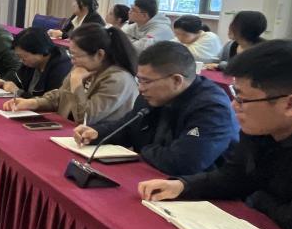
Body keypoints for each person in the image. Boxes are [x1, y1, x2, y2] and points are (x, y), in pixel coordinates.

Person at [138, 40, 292, 229]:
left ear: (290, 105)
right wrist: (183, 186)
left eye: (243, 99)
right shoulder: (259, 129)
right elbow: (235, 176)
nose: (234, 105)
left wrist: (255, 196)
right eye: (235, 95)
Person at [73, 41, 238, 176]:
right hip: (154, 178)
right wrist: (97, 132)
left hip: (204, 197)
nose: (141, 88)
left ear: (176, 80)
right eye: (139, 80)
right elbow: (128, 127)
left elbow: (183, 163)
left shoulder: (212, 109)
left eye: (147, 81)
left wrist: (146, 149)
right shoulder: (151, 96)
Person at [5, 24, 138, 124]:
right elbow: (60, 96)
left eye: (76, 55)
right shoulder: (84, 68)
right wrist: (33, 103)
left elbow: (85, 118)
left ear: (99, 54)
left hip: (102, 143)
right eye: (71, 54)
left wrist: (76, 83)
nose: (72, 60)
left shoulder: (118, 79)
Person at [0, 28, 72, 98]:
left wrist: (18, 92)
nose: (21, 61)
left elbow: (49, 103)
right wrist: (4, 83)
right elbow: (16, 81)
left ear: (40, 51)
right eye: (19, 57)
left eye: (23, 57)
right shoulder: (31, 64)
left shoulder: (61, 69)